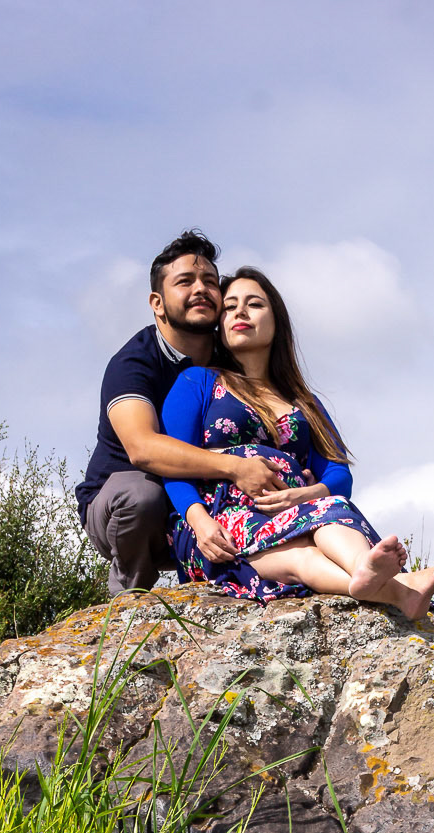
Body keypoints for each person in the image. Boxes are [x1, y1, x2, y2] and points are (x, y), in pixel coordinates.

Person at [159, 267, 434, 647]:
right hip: (218, 523)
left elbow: (338, 474)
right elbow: (174, 462)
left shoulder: (302, 403)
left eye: (254, 304)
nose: (240, 313)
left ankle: (383, 586)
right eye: (231, 307)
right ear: (219, 326)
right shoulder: (198, 382)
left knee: (315, 532)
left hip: (292, 517)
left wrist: (301, 495)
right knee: (311, 534)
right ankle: (397, 581)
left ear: (277, 323)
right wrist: (200, 522)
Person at [75, 230, 262, 593]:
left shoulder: (232, 359)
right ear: (157, 303)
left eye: (210, 281)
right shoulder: (134, 362)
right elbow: (142, 449)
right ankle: (130, 603)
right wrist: (236, 465)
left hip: (205, 494)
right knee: (142, 496)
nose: (201, 289)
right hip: (129, 502)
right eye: (185, 281)